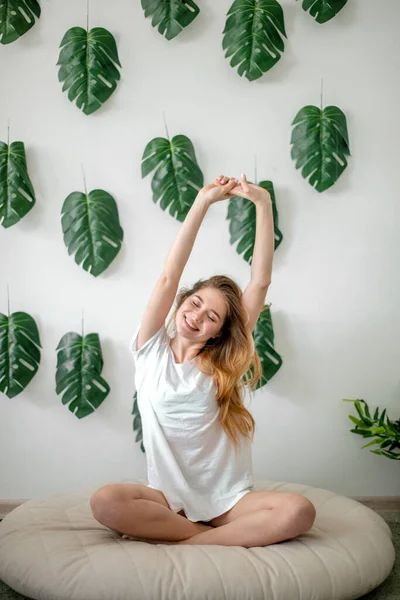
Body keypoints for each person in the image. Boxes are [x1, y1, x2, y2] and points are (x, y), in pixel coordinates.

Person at [90, 174, 316, 547]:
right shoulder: (150, 349)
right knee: (105, 503)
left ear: (218, 332)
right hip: (169, 498)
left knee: (299, 511)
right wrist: (202, 202)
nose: (197, 316)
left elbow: (259, 283)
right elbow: (168, 276)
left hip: (227, 502)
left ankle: (190, 541)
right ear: (182, 301)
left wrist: (263, 203)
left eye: (211, 317)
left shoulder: (225, 365)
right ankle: (207, 536)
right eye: (195, 303)